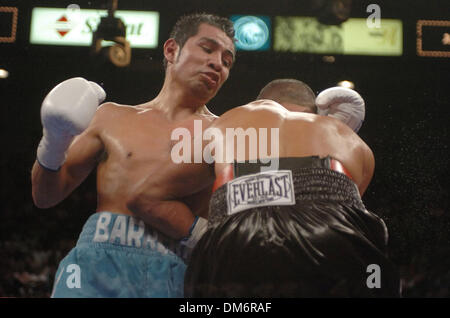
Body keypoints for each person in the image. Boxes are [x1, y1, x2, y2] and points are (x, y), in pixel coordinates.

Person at [31, 13, 235, 298]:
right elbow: (45, 196)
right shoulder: (110, 117)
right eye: (207, 48)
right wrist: (53, 140)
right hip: (95, 266)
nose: (217, 63)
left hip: (175, 270)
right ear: (171, 50)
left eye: (227, 61)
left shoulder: (227, 132)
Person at [183, 79, 401, 297]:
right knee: (378, 276)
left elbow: (173, 192)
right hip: (329, 232)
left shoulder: (227, 122)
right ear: (315, 112)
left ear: (258, 104)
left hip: (238, 237)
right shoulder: (349, 138)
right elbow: (351, 211)